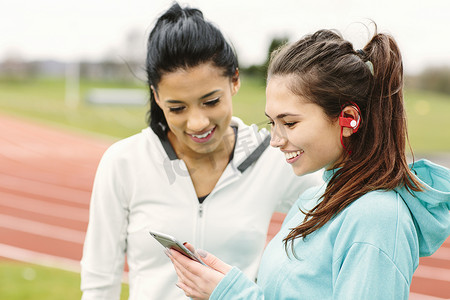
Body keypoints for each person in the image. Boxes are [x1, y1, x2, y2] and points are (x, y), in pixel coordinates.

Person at [167, 28, 450, 299]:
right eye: (272, 122)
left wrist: (232, 295)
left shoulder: (377, 218)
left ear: (349, 119)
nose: (275, 140)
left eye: (289, 122)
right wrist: (226, 284)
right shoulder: (311, 199)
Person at [80, 3, 322, 299]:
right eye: (177, 108)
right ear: (156, 96)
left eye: (210, 102)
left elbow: (341, 203)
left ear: (234, 80)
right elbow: (99, 279)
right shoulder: (124, 163)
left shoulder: (272, 157)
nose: (197, 123)